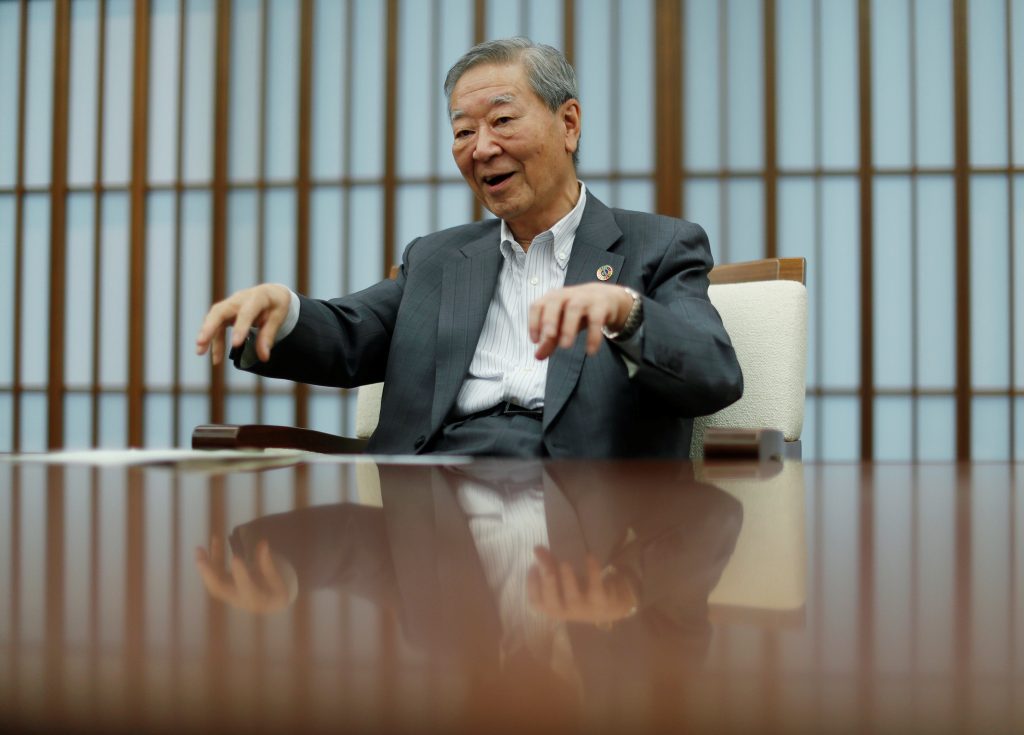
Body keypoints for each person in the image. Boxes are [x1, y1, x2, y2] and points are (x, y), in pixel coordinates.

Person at [195, 37, 742, 458]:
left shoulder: (660, 244)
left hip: (579, 525)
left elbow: (713, 373)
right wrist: (284, 311)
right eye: (462, 132)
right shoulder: (436, 258)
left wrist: (628, 314)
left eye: (503, 120)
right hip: (428, 512)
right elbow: (350, 336)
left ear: (568, 124)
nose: (482, 148)